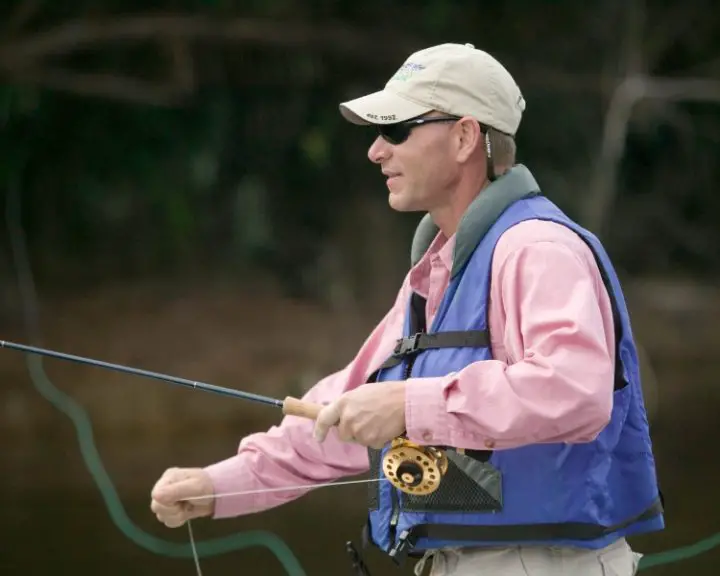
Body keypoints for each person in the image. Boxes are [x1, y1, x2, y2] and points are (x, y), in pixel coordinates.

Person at [150, 42, 665, 575]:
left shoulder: (536, 248)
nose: (376, 150)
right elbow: (345, 407)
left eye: (396, 130)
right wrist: (218, 486)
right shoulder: (437, 271)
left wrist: (407, 406)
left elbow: (575, 390)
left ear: (465, 137)